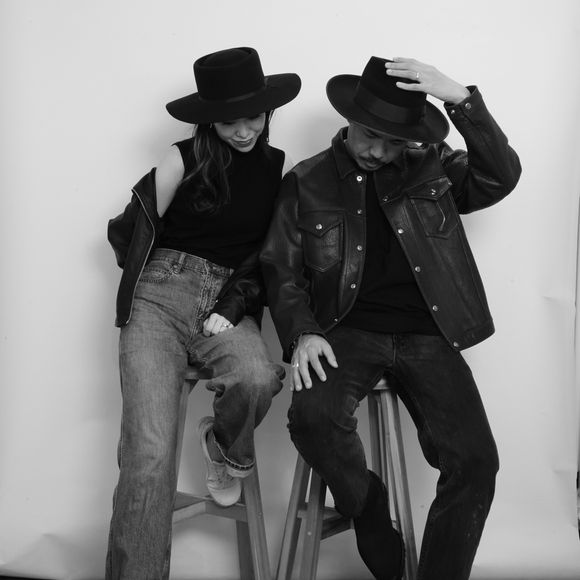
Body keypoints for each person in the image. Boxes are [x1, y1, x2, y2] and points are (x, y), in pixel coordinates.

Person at [260, 55, 521, 580]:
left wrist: (461, 99)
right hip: (346, 330)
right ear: (349, 119)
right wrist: (303, 332)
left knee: (475, 462)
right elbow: (280, 269)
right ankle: (368, 505)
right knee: (313, 419)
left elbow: (500, 176)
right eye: (370, 135)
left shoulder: (435, 166)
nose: (378, 151)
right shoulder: (307, 180)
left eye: (394, 141)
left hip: (429, 332)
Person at [105, 47, 300, 579]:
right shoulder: (182, 157)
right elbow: (128, 230)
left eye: (253, 117)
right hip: (159, 299)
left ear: (267, 112)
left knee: (257, 378)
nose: (244, 130)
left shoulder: (277, 168)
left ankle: (223, 446)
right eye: (230, 120)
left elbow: (268, 255)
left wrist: (231, 303)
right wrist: (159, 278)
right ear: (209, 119)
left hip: (227, 303)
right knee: (148, 455)